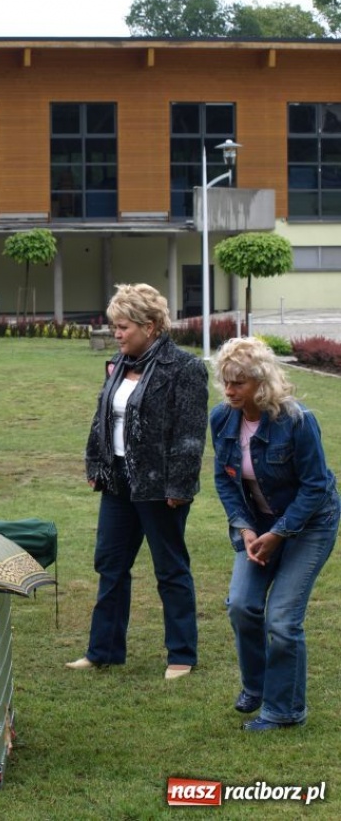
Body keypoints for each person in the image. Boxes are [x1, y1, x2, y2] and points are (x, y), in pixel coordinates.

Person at [66, 283, 208, 678]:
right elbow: (102, 421)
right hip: (118, 485)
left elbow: (191, 435)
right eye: (114, 326)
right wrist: (97, 467)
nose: (117, 333)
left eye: (123, 326)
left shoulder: (185, 368)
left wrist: (179, 487)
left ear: (150, 326)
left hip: (160, 488)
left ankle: (181, 654)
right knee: (110, 565)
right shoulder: (117, 363)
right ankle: (104, 650)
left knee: (170, 569)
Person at [211, 337, 339, 731]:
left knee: (282, 619)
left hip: (310, 524)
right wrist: (245, 527)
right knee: (241, 605)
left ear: (260, 383)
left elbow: (316, 486)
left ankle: (284, 711)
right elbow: (225, 479)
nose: (230, 391)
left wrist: (280, 533)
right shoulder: (222, 418)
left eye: (239, 383)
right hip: (259, 524)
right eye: (226, 382)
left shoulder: (297, 421)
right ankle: (258, 686)